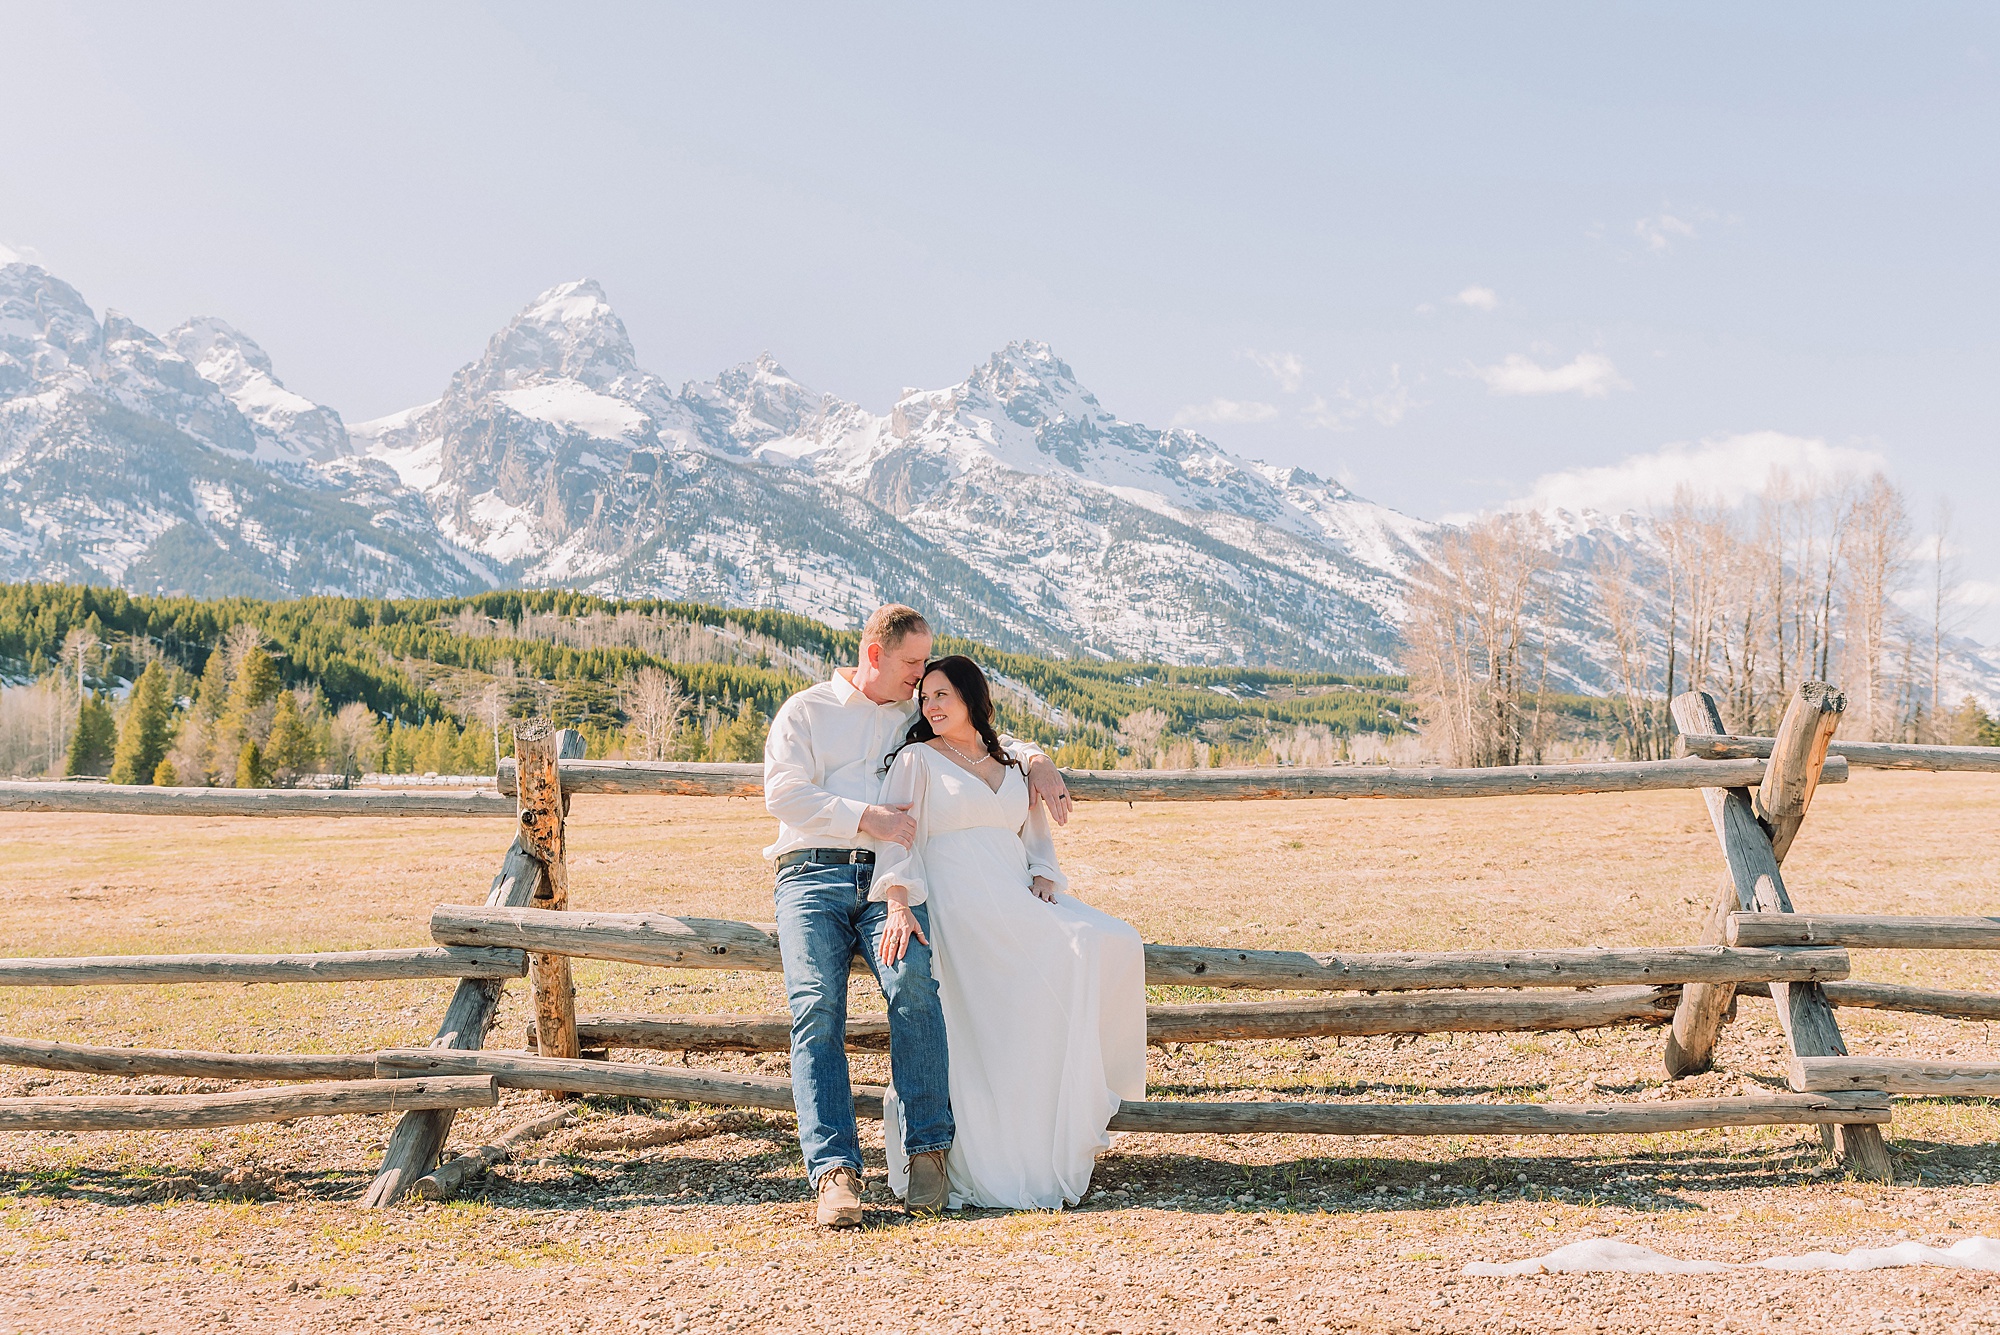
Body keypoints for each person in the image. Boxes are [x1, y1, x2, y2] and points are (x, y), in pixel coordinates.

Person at [762, 605, 1073, 1227]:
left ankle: (929, 1151)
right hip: (812, 872)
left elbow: (980, 734)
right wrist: (864, 816)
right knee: (817, 1009)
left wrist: (1036, 759)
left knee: (914, 992)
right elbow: (784, 793)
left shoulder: (915, 708)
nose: (921, 674)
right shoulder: (807, 710)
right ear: (874, 655)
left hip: (894, 876)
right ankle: (834, 1174)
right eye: (911, 662)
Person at [871, 654, 1146, 1211]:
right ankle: (976, 1149)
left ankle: (1059, 1112)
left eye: (942, 695)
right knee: (1061, 961)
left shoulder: (1010, 760)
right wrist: (897, 902)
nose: (931, 706)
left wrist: (1043, 872)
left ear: (971, 697)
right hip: (958, 900)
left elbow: (1033, 832)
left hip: (1013, 890)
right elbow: (897, 836)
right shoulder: (916, 759)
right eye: (925, 698)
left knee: (1111, 941)